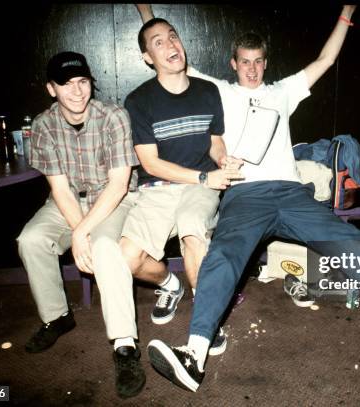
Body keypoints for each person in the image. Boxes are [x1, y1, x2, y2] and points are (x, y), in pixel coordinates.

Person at [139, 4, 360, 393]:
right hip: (245, 194)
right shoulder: (217, 91)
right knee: (223, 255)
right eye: (244, 62)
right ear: (233, 64)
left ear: (265, 64)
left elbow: (327, 58)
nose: (251, 69)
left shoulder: (283, 91)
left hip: (292, 193)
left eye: (258, 62)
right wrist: (146, 11)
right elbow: (170, 59)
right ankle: (194, 357)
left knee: (350, 241)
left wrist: (346, 12)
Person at [17, 51, 148, 399]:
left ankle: (124, 345)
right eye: (66, 84)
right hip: (69, 200)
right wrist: (79, 230)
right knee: (31, 239)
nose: (77, 91)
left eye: (83, 82)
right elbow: (59, 188)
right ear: (51, 88)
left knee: (105, 248)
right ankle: (58, 316)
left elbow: (119, 184)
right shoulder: (43, 125)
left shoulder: (114, 116)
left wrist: (82, 234)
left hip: (113, 198)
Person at [116, 14, 244, 356]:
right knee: (127, 259)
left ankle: (206, 320)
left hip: (199, 187)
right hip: (157, 188)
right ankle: (169, 284)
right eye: (159, 42)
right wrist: (204, 175)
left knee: (191, 229)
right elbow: (150, 163)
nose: (171, 45)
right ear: (147, 57)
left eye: (173, 37)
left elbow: (215, 142)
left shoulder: (207, 91)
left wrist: (222, 161)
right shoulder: (139, 100)